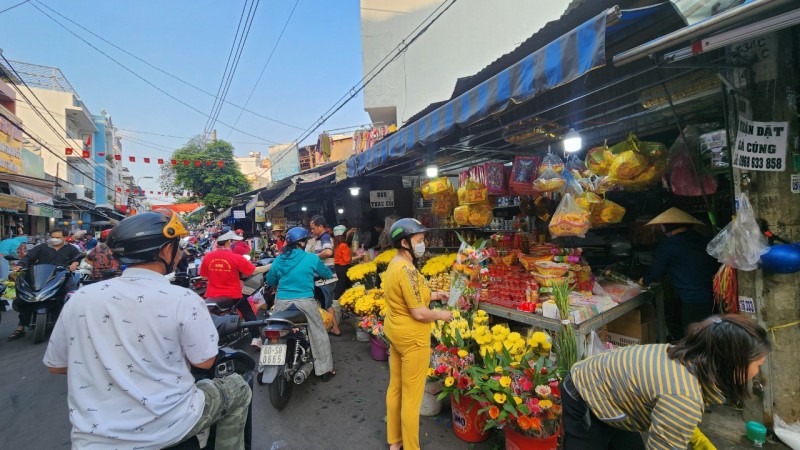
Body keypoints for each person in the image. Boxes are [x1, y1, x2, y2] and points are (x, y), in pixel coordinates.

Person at [42, 210, 251, 449]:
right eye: (176, 246)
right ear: (164, 251)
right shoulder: (183, 298)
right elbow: (204, 362)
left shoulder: (81, 298)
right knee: (237, 388)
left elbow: (56, 365)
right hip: (170, 427)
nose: (180, 252)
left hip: (92, 439)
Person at [563, 314, 770, 449]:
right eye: (758, 364)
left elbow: (671, 408)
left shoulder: (686, 358)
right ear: (733, 363)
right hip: (583, 393)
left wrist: (694, 436)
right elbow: (676, 408)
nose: (757, 372)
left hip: (614, 396)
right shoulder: (683, 397)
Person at [383, 218, 454, 450]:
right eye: (419, 240)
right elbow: (419, 313)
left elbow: (410, 297)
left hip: (395, 333)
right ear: (405, 242)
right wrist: (443, 315)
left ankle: (394, 441)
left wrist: (435, 295)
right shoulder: (408, 270)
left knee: (395, 388)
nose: (423, 244)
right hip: (413, 339)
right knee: (412, 399)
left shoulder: (395, 264)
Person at [266, 226, 336, 381]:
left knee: (273, 330)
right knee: (318, 332)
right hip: (305, 301)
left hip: (281, 302)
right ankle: (325, 371)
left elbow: (270, 281)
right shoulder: (311, 258)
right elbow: (326, 273)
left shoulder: (279, 259)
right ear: (302, 243)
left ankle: (264, 367)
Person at [641, 207, 720, 340]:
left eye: (661, 225)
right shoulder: (701, 239)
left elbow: (655, 273)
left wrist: (642, 281)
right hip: (714, 298)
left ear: (667, 226)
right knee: (711, 336)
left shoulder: (669, 245)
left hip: (693, 302)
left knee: (695, 340)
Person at [201, 230, 270, 348]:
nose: (234, 244)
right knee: (247, 310)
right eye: (233, 242)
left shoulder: (208, 257)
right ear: (228, 242)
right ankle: (256, 338)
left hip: (211, 295)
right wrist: (272, 265)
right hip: (232, 294)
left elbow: (203, 276)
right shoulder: (235, 257)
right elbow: (254, 271)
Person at [8, 228, 81, 341]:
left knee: (71, 297)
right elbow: (28, 258)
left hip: (62, 277)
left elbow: (77, 259)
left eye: (58, 237)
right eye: (52, 237)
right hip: (41, 277)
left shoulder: (71, 249)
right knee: (24, 298)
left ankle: (69, 325)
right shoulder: (42, 247)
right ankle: (20, 328)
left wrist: (74, 264)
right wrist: (20, 265)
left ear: (65, 238)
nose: (54, 239)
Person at [309, 215, 341, 336]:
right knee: (326, 303)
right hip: (324, 277)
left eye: (313, 228)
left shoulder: (325, 237)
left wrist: (312, 257)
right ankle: (329, 326)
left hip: (326, 278)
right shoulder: (320, 238)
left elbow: (328, 252)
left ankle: (335, 328)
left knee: (327, 304)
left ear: (321, 227)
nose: (312, 231)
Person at [332, 225, 360, 301]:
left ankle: (338, 299)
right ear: (343, 235)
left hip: (338, 268)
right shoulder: (344, 245)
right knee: (342, 285)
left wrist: (349, 232)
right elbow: (348, 260)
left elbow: (343, 237)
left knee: (342, 283)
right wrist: (359, 256)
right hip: (343, 268)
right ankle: (336, 301)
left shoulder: (336, 244)